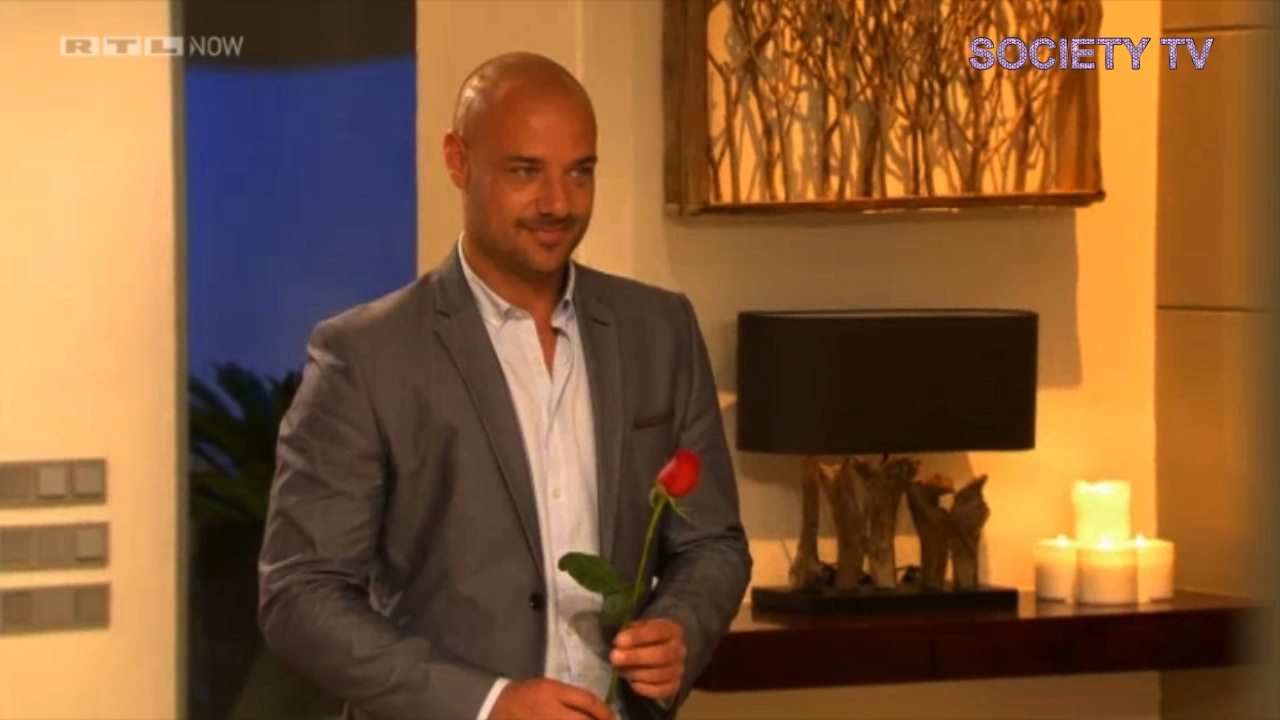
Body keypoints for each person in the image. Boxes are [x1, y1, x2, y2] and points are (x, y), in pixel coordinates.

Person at [257, 51, 752, 720]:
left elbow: (713, 543)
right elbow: (299, 594)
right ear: (457, 160)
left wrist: (681, 627)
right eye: (525, 171)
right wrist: (488, 704)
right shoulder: (364, 356)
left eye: (579, 172)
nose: (557, 203)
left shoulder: (660, 330)